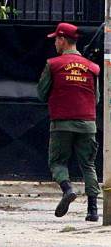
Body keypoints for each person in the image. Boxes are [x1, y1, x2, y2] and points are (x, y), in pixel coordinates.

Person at [37, 23, 101, 221]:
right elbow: (96, 98)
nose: (55, 43)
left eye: (56, 39)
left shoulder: (53, 65)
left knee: (57, 161)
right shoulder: (93, 68)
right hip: (88, 123)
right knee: (88, 165)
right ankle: (92, 211)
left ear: (63, 40)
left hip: (62, 123)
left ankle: (67, 190)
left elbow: (41, 93)